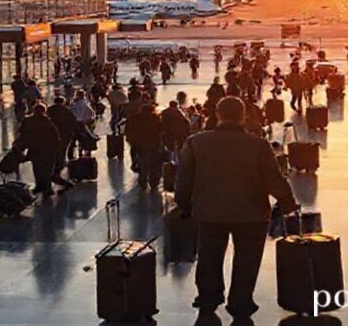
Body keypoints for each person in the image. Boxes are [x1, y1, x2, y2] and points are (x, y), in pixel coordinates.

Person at [175, 97, 297, 318]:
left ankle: (208, 298)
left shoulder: (196, 143)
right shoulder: (259, 145)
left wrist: (184, 206)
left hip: (210, 212)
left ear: (218, 115)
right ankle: (241, 302)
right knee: (247, 261)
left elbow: (184, 180)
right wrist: (287, 203)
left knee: (209, 258)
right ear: (243, 116)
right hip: (251, 215)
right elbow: (274, 180)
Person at [15, 104, 62, 196]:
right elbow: (56, 137)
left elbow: (21, 133)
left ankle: (39, 186)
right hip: (47, 150)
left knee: (37, 168)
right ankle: (47, 187)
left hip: (34, 149)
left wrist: (21, 145)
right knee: (47, 169)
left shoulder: (28, 121)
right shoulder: (47, 122)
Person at [126, 103, 164, 189]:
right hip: (153, 143)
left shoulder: (134, 118)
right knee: (154, 163)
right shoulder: (155, 118)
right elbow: (161, 129)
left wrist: (130, 140)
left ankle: (143, 179)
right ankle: (154, 181)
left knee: (143, 161)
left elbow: (128, 129)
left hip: (139, 144)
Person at [47, 96, 78, 187]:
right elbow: (73, 121)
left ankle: (54, 165)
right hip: (64, 134)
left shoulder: (50, 109)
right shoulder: (66, 111)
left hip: (52, 135)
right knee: (62, 150)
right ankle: (59, 166)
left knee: (54, 150)